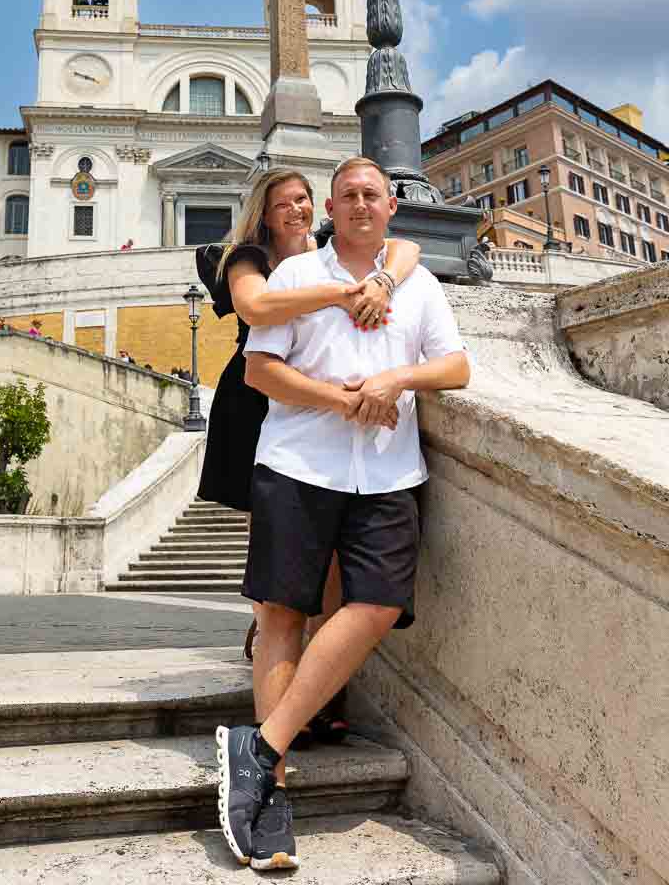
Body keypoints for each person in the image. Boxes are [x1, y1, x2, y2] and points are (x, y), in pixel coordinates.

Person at [214, 157, 470, 871]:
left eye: (371, 194)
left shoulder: (416, 283)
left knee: (380, 604)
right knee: (283, 614)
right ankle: (272, 795)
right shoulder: (292, 277)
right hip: (299, 464)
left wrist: (395, 377)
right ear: (332, 207)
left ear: (392, 205)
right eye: (347, 195)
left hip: (388, 473)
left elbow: (456, 367)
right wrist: (344, 399)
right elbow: (259, 370)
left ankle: (259, 750)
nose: (360, 204)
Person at [196, 168, 420, 726]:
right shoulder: (248, 258)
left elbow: (408, 246)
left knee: (335, 560)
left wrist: (383, 282)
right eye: (282, 204)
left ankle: (314, 695)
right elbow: (258, 308)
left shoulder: (328, 252)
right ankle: (281, 665)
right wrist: (346, 294)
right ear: (264, 213)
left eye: (301, 201)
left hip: (323, 417)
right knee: (276, 564)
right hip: (255, 406)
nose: (295, 211)